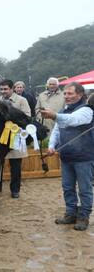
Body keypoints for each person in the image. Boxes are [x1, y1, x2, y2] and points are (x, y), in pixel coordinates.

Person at [42, 82, 94, 231]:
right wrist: (52, 145)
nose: (67, 96)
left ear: (80, 94)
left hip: (84, 157)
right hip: (67, 157)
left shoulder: (86, 110)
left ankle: (83, 217)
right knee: (68, 188)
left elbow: (72, 120)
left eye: (70, 93)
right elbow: (57, 131)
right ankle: (71, 214)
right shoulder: (64, 110)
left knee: (85, 190)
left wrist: (54, 115)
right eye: (65, 93)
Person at [0, 79, 31, 198]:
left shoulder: (21, 100)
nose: (3, 91)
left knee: (16, 166)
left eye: (5, 89)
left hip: (16, 137)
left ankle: (15, 190)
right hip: (0, 139)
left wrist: (13, 122)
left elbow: (27, 117)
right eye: (1, 89)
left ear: (12, 88)